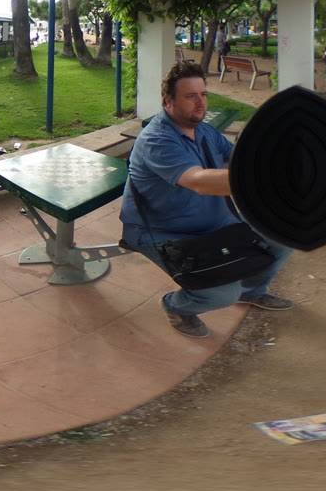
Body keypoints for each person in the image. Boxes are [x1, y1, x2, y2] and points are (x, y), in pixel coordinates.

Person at [123, 59, 295, 339]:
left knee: (284, 235)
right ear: (168, 101)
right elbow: (199, 182)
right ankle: (176, 306)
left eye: (203, 94)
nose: (201, 102)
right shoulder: (157, 140)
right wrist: (265, 181)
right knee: (223, 294)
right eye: (191, 96)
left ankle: (252, 292)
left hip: (215, 222)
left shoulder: (202, 129)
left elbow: (239, 157)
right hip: (165, 233)